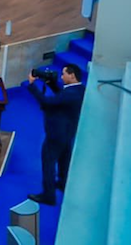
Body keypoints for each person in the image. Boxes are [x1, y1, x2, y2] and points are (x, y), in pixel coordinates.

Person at [28, 64, 85, 205]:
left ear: (72, 75)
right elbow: (62, 95)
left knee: (48, 162)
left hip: (56, 134)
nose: (61, 77)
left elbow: (47, 102)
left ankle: (48, 196)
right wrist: (51, 83)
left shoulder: (70, 94)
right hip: (68, 133)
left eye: (64, 74)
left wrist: (32, 85)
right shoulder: (79, 89)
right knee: (64, 160)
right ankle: (63, 183)